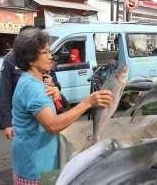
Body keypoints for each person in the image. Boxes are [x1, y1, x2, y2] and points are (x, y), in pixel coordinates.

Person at [11, 28, 113, 183]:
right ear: (31, 59)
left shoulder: (34, 81)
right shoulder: (32, 87)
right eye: (45, 52)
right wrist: (87, 102)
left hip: (32, 162)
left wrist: (58, 97)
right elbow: (52, 125)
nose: (50, 56)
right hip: (35, 169)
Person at [0, 25, 62, 140]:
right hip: (26, 119)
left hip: (45, 115)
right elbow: (5, 93)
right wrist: (7, 123)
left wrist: (54, 88)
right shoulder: (10, 61)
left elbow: (56, 86)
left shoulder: (43, 60)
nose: (49, 56)